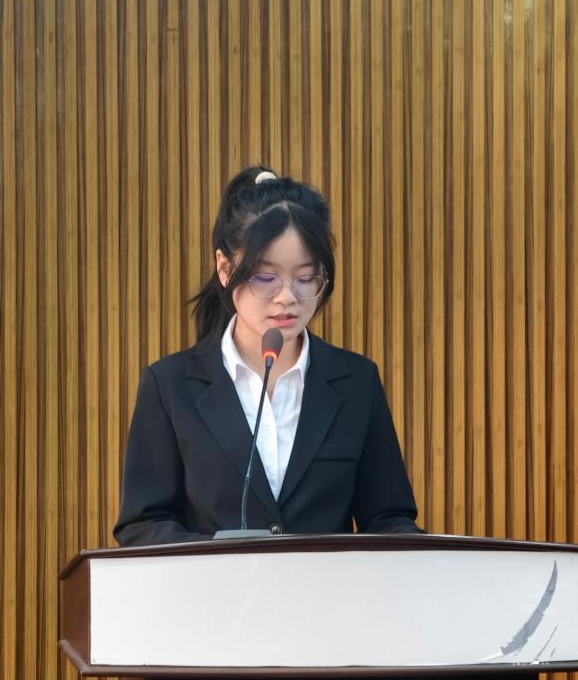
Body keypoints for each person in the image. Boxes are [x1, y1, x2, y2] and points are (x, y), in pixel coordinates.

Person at [113, 166, 423, 545]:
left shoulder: (357, 381)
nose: (287, 297)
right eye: (265, 277)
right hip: (214, 585)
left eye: (305, 278)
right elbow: (143, 525)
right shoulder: (170, 385)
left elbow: (389, 518)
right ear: (225, 268)